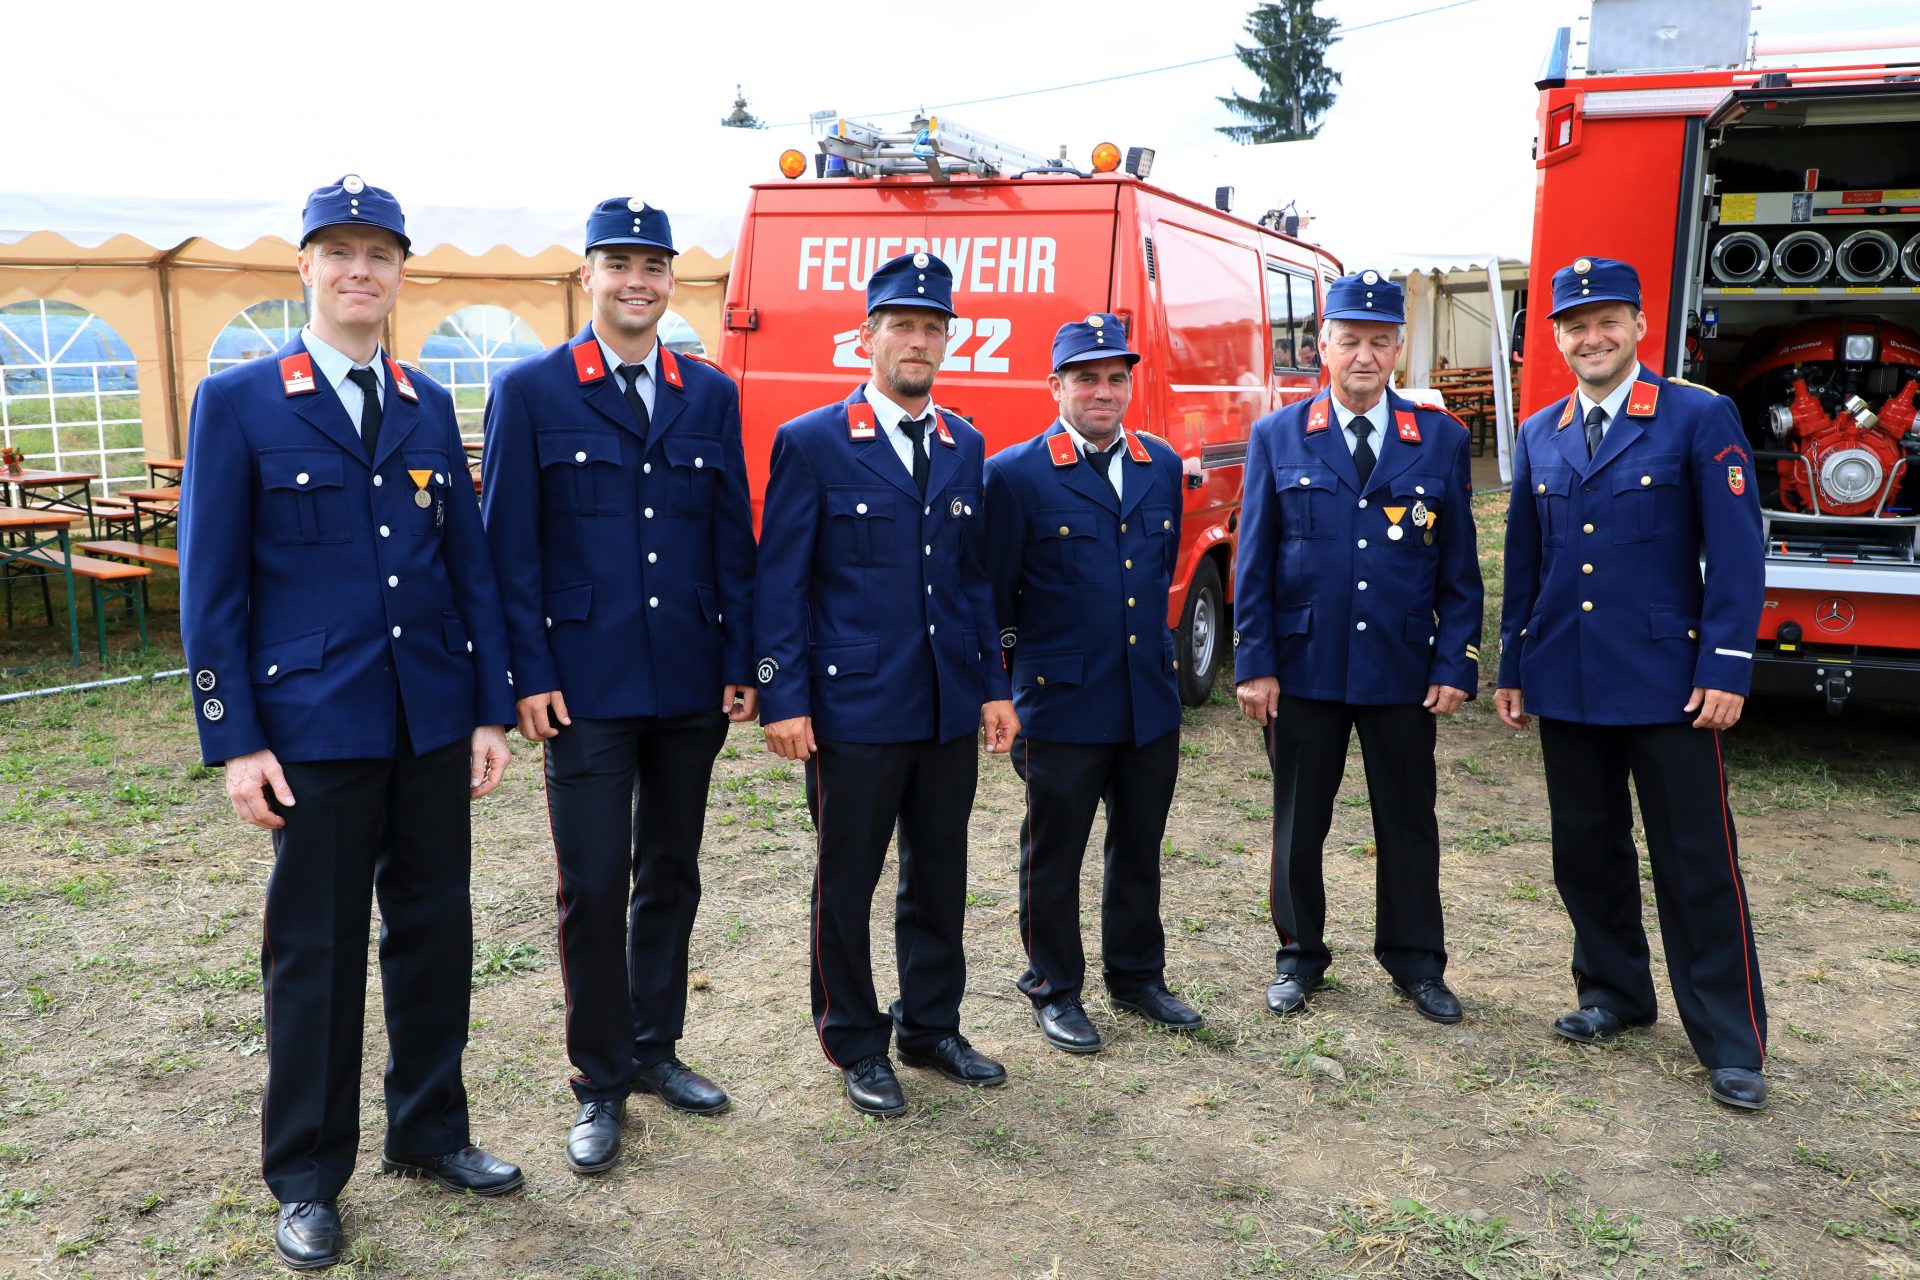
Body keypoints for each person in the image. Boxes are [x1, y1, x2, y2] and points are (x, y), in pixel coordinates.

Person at [179, 175, 521, 1272]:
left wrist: (488, 708)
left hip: (429, 721)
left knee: (435, 935)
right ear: (307, 268)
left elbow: (469, 569)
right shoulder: (240, 401)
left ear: (402, 272)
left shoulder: (426, 401)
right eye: (340, 252)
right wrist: (236, 738)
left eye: (380, 253)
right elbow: (211, 589)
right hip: (312, 728)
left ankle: (430, 1130)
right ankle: (307, 1176)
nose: (360, 270)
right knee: (315, 955)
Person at [480, 198, 756, 1174]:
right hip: (583, 684)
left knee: (671, 872)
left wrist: (741, 659)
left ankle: (654, 1046)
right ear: (588, 275)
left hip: (688, 677)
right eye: (619, 264)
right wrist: (525, 674)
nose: (637, 282)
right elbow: (507, 548)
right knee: (595, 884)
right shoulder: (531, 391)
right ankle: (599, 1078)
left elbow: (732, 537)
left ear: (671, 279)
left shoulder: (707, 392)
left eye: (653, 266)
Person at [1494, 255, 1769, 1111]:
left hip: (1668, 683)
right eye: (1575, 326)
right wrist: (1513, 665)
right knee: (1586, 850)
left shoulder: (1696, 416)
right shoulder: (1540, 432)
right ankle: (1613, 992)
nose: (1592, 337)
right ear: (1556, 339)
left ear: (1640, 325)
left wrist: (1725, 665)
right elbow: (1526, 560)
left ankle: (1730, 1040)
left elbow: (1738, 552)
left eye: (1607, 321)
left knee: (1695, 861)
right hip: (1567, 677)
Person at [753, 251, 1018, 1117]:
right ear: (866, 336)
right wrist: (784, 697)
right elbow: (781, 583)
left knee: (939, 872)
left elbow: (971, 581)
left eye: (934, 328)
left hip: (944, 704)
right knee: (848, 881)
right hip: (854, 709)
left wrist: (993, 686)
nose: (918, 341)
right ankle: (856, 1040)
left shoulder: (964, 444)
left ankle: (930, 1026)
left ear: (949, 342)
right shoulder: (813, 442)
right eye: (902, 325)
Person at [1233, 270, 1483, 1025]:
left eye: (1379, 341)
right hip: (1303, 668)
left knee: (1408, 823)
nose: (1364, 355)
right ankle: (1299, 959)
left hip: (1402, 671)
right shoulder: (1278, 435)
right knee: (1297, 825)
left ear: (1399, 349)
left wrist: (1455, 661)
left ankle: (1416, 963)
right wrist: (1255, 664)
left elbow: (1460, 570)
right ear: (1323, 345)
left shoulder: (1440, 439)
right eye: (1350, 340)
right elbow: (1254, 561)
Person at [983, 314, 1202, 1054]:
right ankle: (1054, 987)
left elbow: (1157, 572)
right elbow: (996, 597)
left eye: (1115, 378)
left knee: (1139, 847)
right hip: (1062, 702)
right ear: (1056, 386)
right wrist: (1006, 693)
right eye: (1086, 379)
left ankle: (1137, 977)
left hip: (1147, 700)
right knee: (1055, 856)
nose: (1103, 391)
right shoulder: (1015, 475)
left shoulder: (1158, 463)